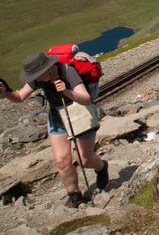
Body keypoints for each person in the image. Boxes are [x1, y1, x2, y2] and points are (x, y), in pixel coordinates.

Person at [1, 52, 109, 208]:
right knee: (61, 160)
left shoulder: (67, 71)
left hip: (80, 114)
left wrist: (66, 91)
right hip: (57, 118)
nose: (35, 78)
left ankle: (101, 166)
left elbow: (86, 99)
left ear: (48, 68)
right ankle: (75, 197)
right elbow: (19, 97)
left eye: (37, 74)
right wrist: (5, 92)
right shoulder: (36, 79)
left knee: (84, 160)